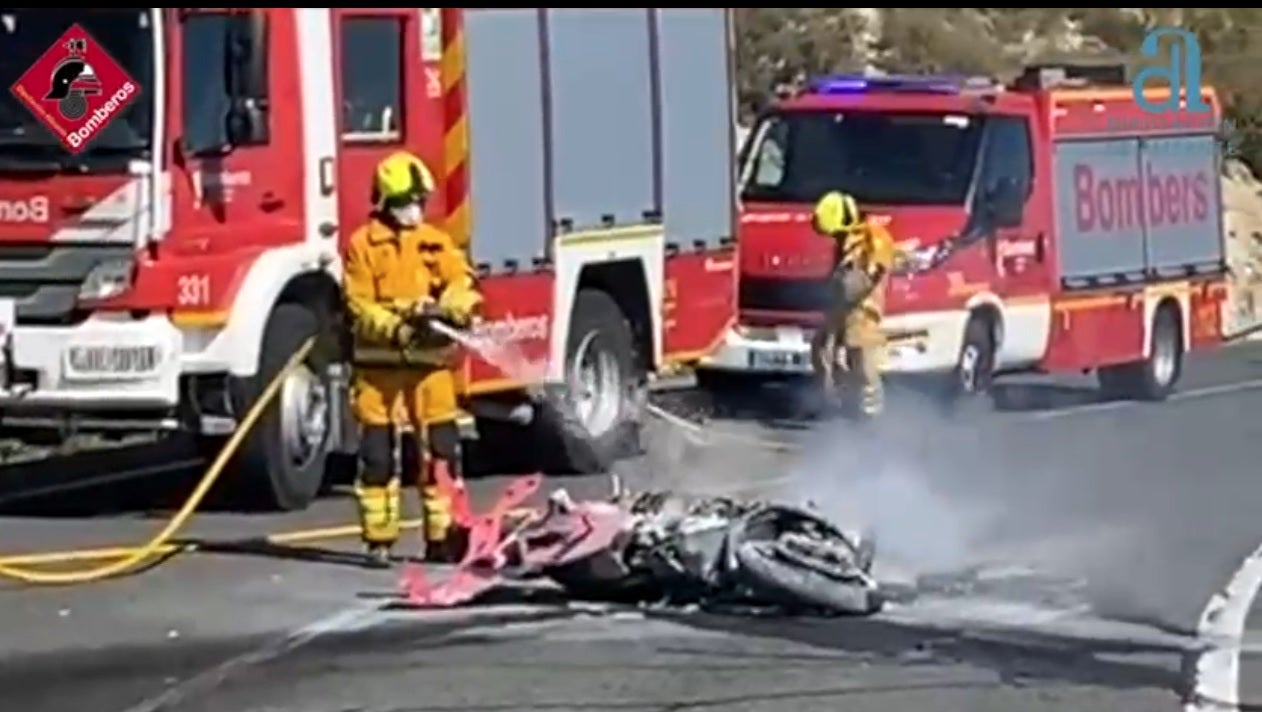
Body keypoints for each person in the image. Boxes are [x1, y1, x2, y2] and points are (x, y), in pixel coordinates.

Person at [343, 150, 484, 564]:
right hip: (378, 371)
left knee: (440, 451)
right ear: (387, 203)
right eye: (408, 202)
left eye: (420, 202)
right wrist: (398, 327)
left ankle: (442, 538)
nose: (415, 210)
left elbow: (463, 281)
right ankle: (379, 540)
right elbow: (359, 305)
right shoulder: (362, 246)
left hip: (429, 371)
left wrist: (449, 308)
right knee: (377, 456)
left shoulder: (432, 242)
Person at [808, 190, 899, 418]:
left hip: (863, 310)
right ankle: (841, 405)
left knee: (862, 361)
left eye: (837, 233)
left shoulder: (874, 239)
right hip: (841, 307)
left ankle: (870, 415)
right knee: (823, 351)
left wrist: (844, 288)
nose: (834, 238)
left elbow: (867, 279)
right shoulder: (846, 241)